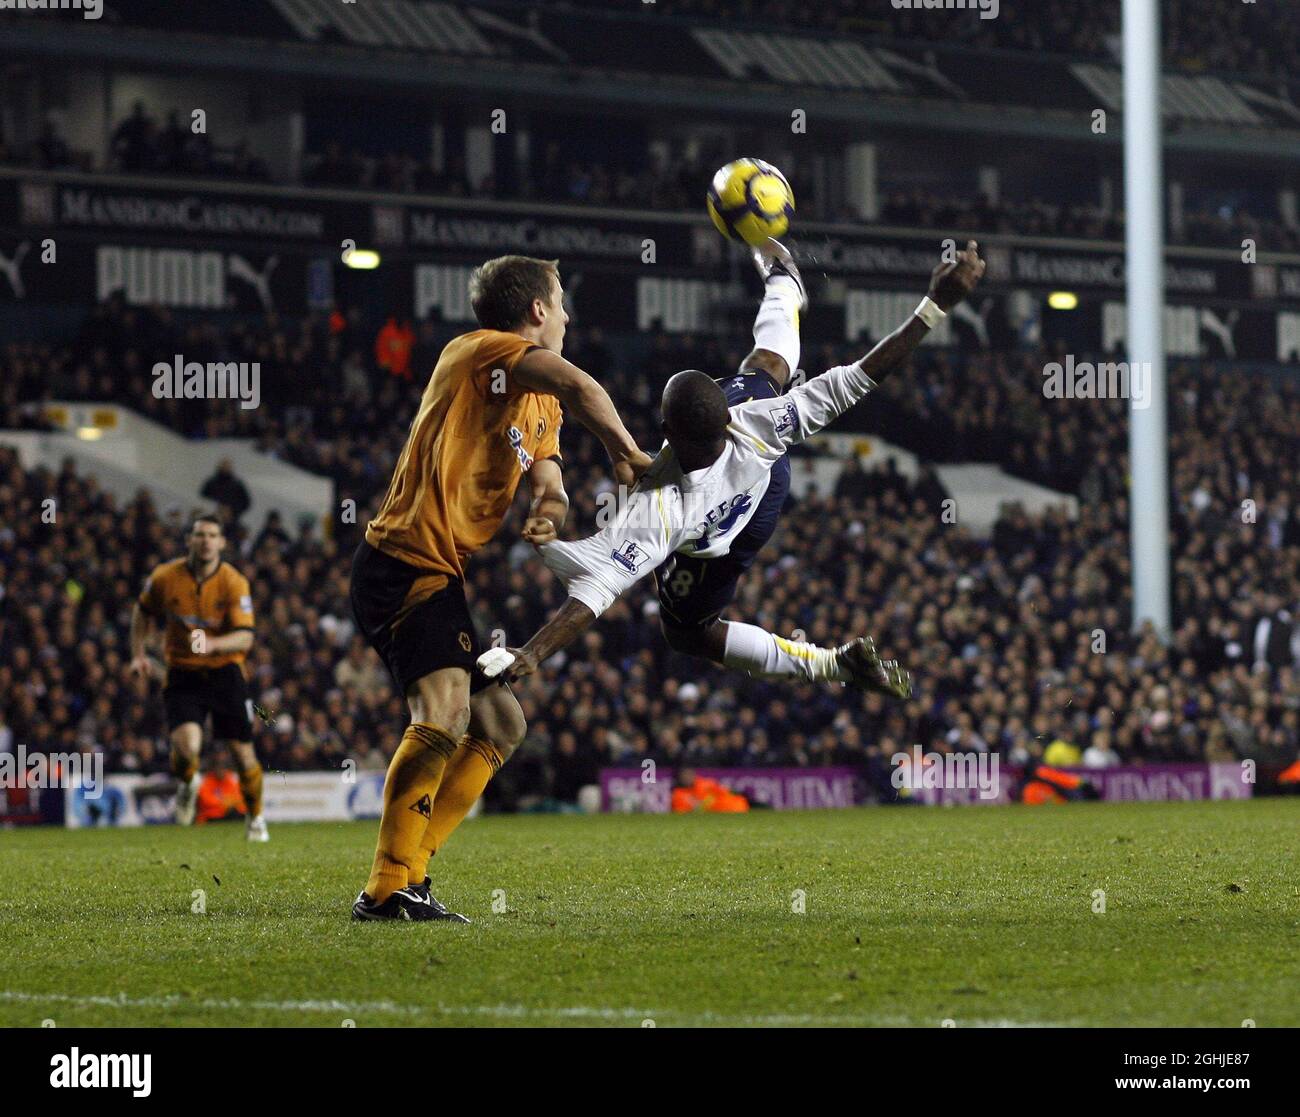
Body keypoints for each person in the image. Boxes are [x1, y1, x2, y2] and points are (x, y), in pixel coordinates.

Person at [479, 241, 986, 693]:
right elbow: (862, 376)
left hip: (714, 543)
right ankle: (786, 286)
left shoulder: (659, 509)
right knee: (764, 372)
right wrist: (934, 304)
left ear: (667, 434)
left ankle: (832, 665)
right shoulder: (757, 422)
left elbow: (593, 594)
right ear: (726, 416)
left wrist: (530, 654)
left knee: (686, 633)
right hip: (765, 483)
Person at [349, 254, 651, 923]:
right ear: (538, 310)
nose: (569, 316)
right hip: (401, 557)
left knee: (501, 723)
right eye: (562, 301)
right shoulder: (480, 352)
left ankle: (409, 873)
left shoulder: (541, 401)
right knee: (445, 711)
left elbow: (550, 477)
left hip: (438, 566)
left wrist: (549, 510)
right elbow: (579, 383)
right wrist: (626, 451)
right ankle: (387, 885)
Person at [127, 515, 269, 841]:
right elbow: (142, 611)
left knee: (241, 753)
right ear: (189, 540)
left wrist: (213, 643)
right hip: (183, 673)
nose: (206, 540)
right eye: (200, 534)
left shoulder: (234, 582)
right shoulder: (165, 577)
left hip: (226, 672)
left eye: (212, 535)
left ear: (221, 543)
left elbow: (245, 638)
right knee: (187, 746)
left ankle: (256, 818)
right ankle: (187, 783)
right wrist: (137, 654)